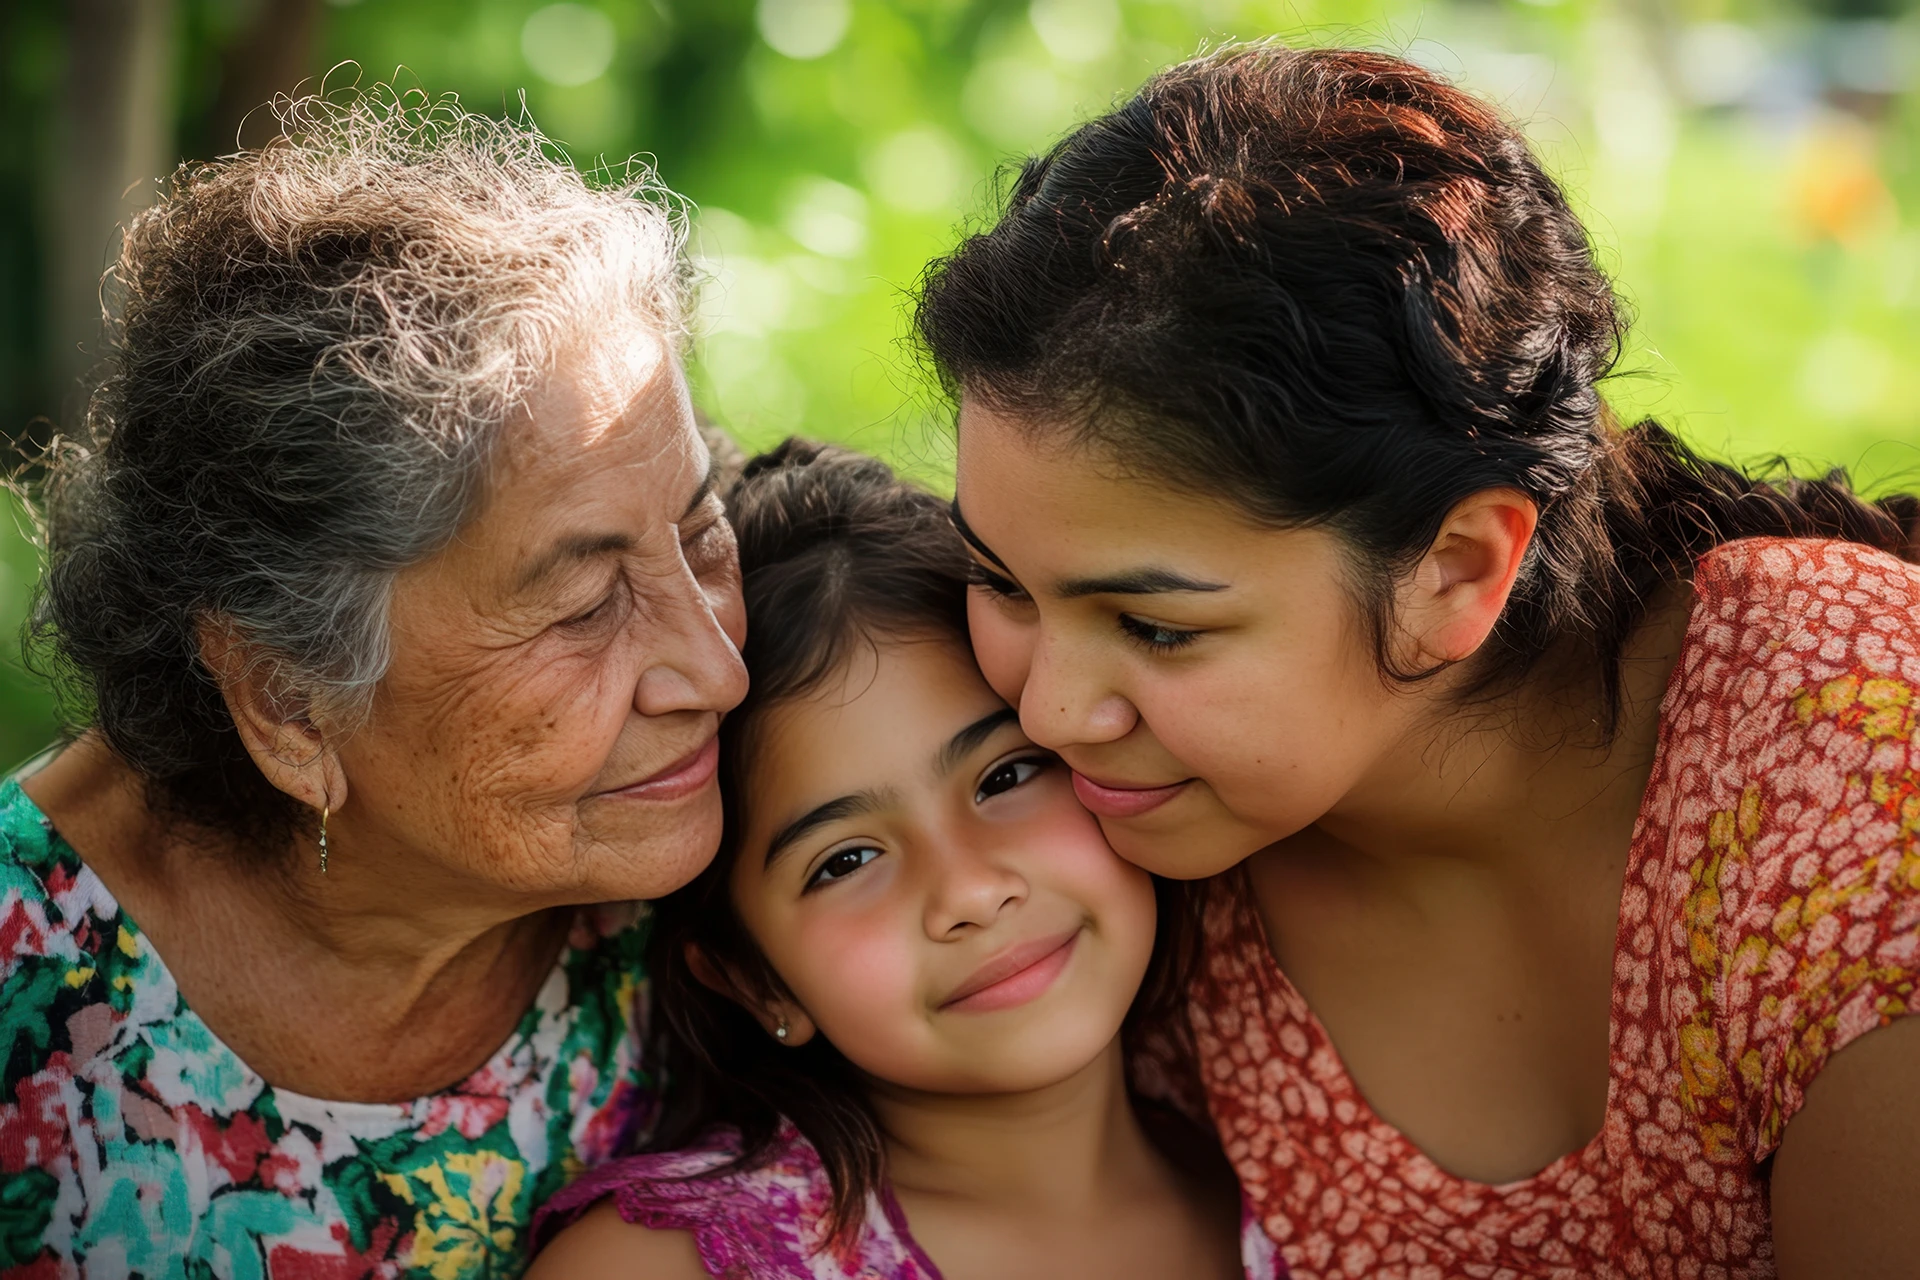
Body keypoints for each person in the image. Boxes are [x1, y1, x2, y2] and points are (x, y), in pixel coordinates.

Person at [916, 43, 1920, 1280]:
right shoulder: (1083, 846)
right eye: (1002, 581)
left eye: (1157, 625)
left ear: (1456, 566)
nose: (1051, 709)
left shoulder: (1860, 756)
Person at [0, 91, 746, 1278]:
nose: (719, 667)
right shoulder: (22, 1003)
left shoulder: (757, 838)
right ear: (293, 703)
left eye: (704, 531)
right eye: (584, 606)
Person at [526, 441, 1273, 1280]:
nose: (972, 890)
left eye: (1007, 776)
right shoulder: (670, 1267)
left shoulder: (1308, 1187)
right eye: (845, 860)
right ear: (753, 979)